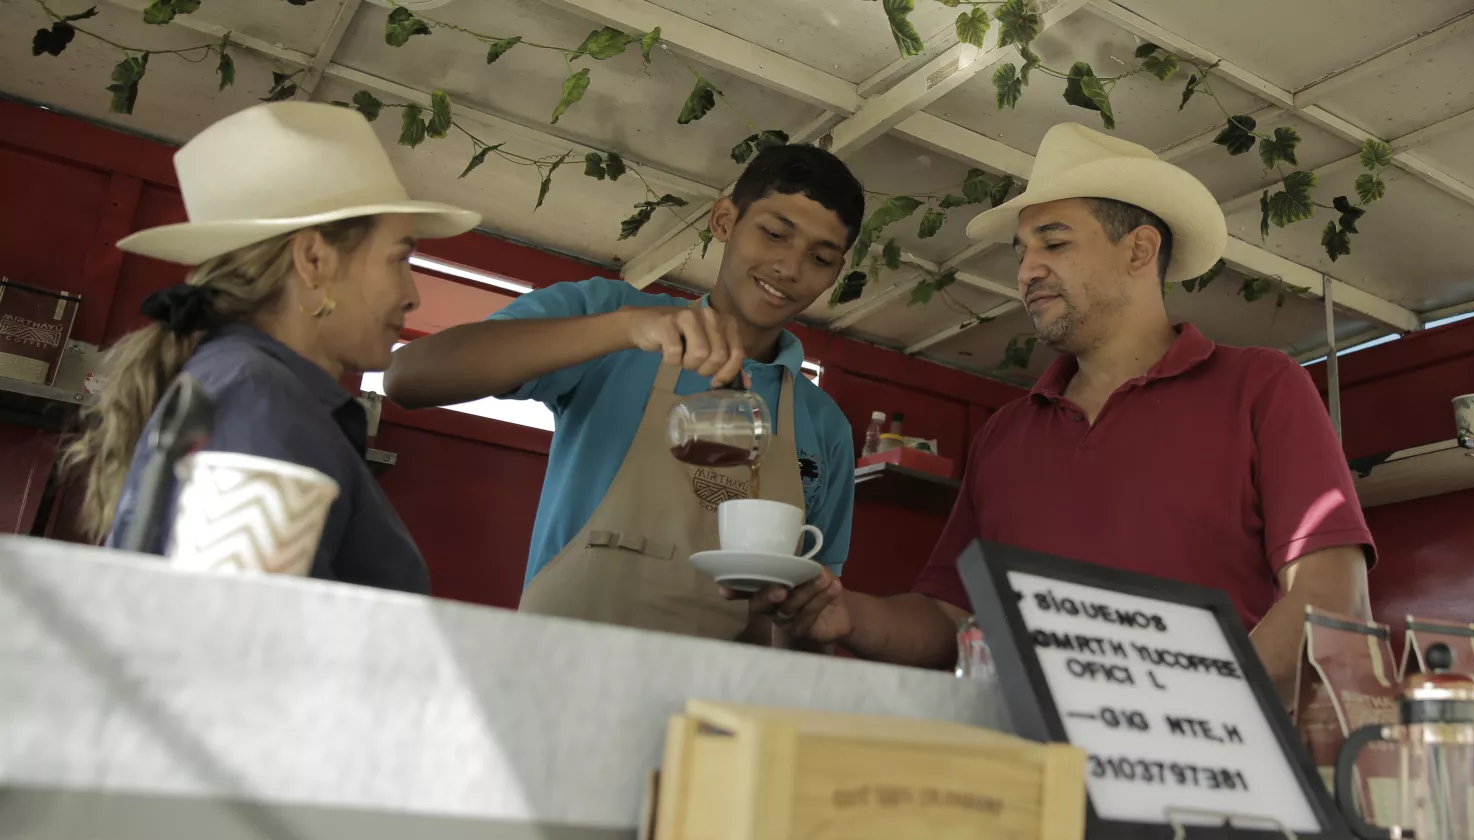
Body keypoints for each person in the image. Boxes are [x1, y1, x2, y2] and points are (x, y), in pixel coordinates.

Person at [746, 123, 1376, 694]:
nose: (1027, 270)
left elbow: (1329, 599)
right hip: (1026, 791)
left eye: (1054, 242)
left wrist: (1195, 729)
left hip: (1203, 800)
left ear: (1138, 250)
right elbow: (950, 615)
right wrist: (849, 614)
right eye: (1021, 251)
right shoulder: (1004, 435)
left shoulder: (1260, 387)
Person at [384, 144, 863, 643]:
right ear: (724, 220)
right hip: (566, 671)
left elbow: (817, 608)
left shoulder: (824, 424)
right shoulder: (607, 313)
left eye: (821, 258)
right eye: (773, 233)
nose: (790, 267)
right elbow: (409, 378)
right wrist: (624, 329)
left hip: (729, 704)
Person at [62, 102, 481, 591]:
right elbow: (243, 648)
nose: (411, 295)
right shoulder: (260, 401)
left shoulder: (239, 385)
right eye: (398, 260)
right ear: (314, 259)